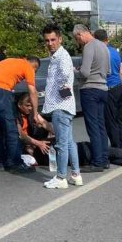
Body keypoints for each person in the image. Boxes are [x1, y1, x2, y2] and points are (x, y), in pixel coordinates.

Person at [16, 95, 122, 168]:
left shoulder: (33, 115)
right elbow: (21, 136)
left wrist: (57, 134)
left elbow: (45, 124)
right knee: (98, 152)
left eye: (31, 106)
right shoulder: (16, 119)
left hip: (58, 145)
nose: (30, 109)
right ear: (19, 105)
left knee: (97, 152)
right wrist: (37, 144)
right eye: (27, 106)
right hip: (54, 150)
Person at [0, 54, 40, 173]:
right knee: (11, 129)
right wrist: (35, 112)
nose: (34, 73)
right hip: (1, 91)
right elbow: (32, 91)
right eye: (35, 70)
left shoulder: (10, 61)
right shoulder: (27, 66)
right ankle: (16, 164)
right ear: (33, 65)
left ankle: (2, 162)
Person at [41, 23, 82, 189]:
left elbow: (65, 78)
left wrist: (62, 98)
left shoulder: (62, 57)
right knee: (69, 142)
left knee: (61, 144)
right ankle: (76, 175)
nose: (50, 43)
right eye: (47, 40)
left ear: (60, 39)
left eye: (53, 40)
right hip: (63, 106)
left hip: (61, 107)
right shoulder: (57, 56)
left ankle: (61, 178)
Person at [73, 24, 111, 171]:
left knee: (93, 127)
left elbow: (85, 73)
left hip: (90, 90)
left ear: (80, 35)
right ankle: (104, 158)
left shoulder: (89, 47)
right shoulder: (103, 46)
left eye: (77, 39)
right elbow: (108, 71)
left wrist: (75, 71)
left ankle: (97, 162)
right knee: (101, 125)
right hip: (103, 88)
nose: (78, 43)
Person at [95, 29, 122, 150]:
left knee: (111, 121)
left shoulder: (101, 53)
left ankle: (116, 147)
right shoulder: (115, 51)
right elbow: (120, 71)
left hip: (110, 89)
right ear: (107, 39)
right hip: (119, 88)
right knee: (119, 119)